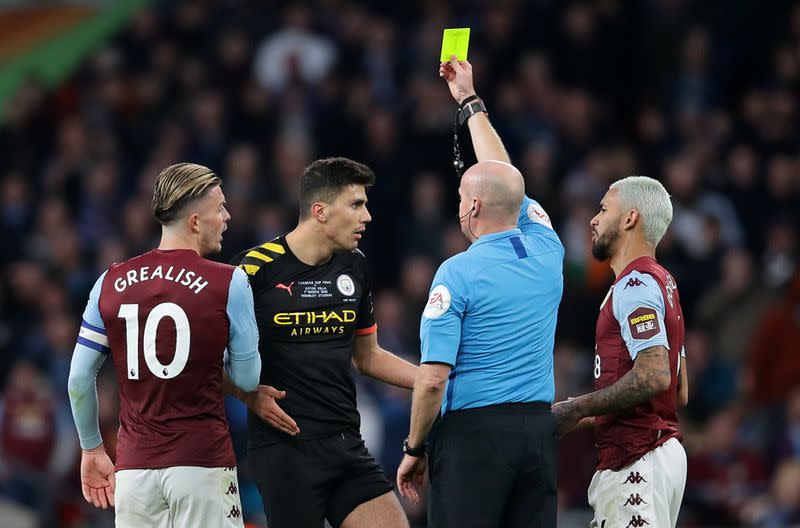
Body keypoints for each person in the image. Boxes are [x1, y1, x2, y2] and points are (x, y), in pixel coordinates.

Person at [396, 56, 564, 527]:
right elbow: (505, 176)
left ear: (471, 206)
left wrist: (415, 447)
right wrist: (469, 101)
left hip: (474, 438)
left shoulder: (456, 273)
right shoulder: (547, 248)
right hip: (537, 432)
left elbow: (432, 380)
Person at [226, 157, 418, 528]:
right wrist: (246, 395)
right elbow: (204, 356)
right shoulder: (252, 270)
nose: (367, 217)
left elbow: (368, 356)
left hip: (347, 443)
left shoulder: (355, 265)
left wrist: (430, 379)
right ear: (320, 211)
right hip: (286, 451)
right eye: (356, 204)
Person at [67, 163, 261, 527]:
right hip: (202, 465)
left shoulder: (108, 282)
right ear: (194, 221)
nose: (227, 216)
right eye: (219, 208)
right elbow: (248, 381)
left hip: (134, 472)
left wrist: (92, 447)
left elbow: (78, 378)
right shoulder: (229, 282)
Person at [552, 175, 688, 528]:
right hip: (660, 454)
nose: (593, 220)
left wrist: (578, 405)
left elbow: (655, 375)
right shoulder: (664, 283)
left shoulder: (634, 285)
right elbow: (679, 389)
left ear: (630, 218)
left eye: (603, 209)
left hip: (636, 458)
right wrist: (583, 418)